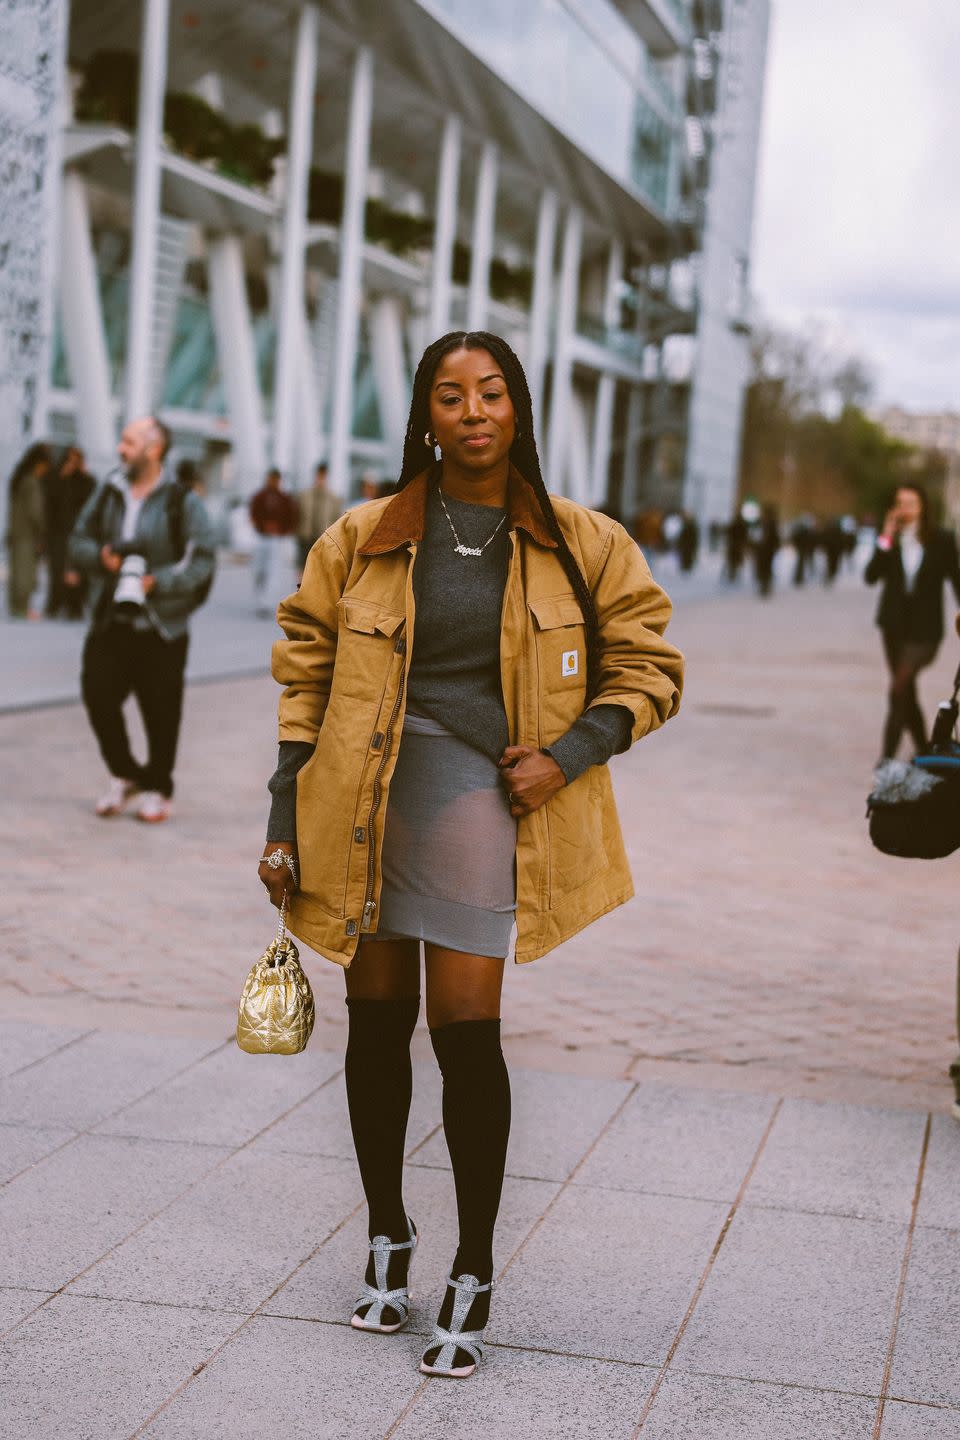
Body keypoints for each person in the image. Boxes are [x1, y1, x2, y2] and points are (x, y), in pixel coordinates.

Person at [258, 330, 684, 1380]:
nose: (474, 412)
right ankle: (389, 1237)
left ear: (519, 408)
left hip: (480, 798)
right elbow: (305, 670)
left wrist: (572, 754)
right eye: (451, 396)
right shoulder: (363, 534)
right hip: (363, 794)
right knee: (373, 1024)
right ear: (426, 413)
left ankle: (476, 1268)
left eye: (492, 393)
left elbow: (650, 663)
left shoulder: (582, 541)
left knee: (464, 1034)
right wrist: (282, 814)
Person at [68, 416, 215, 822]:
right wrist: (101, 557)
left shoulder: (180, 500)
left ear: (154, 449)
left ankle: (158, 787)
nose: (120, 448)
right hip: (110, 617)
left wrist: (158, 581)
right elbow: (77, 538)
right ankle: (124, 773)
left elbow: (203, 559)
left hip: (161, 624)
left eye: (128, 441)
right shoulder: (109, 491)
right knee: (97, 694)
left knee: (161, 710)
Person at [865, 482, 960, 760]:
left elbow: (956, 580)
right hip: (893, 629)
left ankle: (885, 764)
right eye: (900, 503)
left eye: (910, 503)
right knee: (905, 693)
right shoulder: (890, 539)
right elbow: (871, 576)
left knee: (898, 689)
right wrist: (885, 536)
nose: (904, 509)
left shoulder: (942, 539)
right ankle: (923, 750)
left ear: (922, 507)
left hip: (925, 632)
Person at [45, 446, 95, 619]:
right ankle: (56, 604)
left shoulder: (86, 481)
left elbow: (92, 502)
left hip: (80, 532)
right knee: (58, 568)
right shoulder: (57, 478)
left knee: (79, 570)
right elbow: (51, 502)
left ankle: (76, 606)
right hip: (59, 532)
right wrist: (62, 477)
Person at [5, 443, 52, 619]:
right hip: (28, 534)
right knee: (25, 572)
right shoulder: (32, 482)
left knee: (17, 570)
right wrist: (42, 532)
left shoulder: (19, 479)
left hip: (16, 532)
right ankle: (22, 609)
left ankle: (16, 607)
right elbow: (36, 512)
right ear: (39, 464)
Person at [249, 466, 297, 617]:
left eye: (276, 479)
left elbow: (292, 518)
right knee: (259, 571)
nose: (273, 481)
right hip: (261, 537)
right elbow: (253, 514)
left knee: (273, 572)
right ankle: (260, 597)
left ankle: (266, 603)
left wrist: (281, 530)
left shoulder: (284, 498)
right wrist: (261, 526)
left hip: (276, 540)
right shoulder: (260, 496)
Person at [296, 461, 341, 575]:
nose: (321, 478)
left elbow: (337, 520)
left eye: (323, 475)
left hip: (322, 539)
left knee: (318, 570)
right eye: (319, 475)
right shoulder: (304, 495)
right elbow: (298, 515)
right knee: (302, 567)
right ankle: (300, 590)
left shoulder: (333, 499)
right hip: (305, 538)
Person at [752, 506, 780, 598]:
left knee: (766, 568)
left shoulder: (771, 525)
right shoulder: (763, 524)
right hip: (762, 551)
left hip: (767, 551)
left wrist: (773, 547)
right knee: (763, 568)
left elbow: (775, 539)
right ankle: (764, 586)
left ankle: (765, 587)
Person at [724, 511, 748, 583]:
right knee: (734, 562)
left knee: (733, 562)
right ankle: (733, 574)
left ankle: (732, 575)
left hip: (734, 546)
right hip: (736, 546)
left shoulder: (734, 525)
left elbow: (729, 534)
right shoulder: (741, 526)